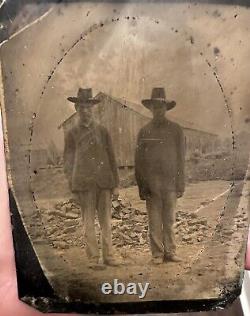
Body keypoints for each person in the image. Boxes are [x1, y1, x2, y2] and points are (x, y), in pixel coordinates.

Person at [63, 88, 120, 268]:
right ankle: (93, 259)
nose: (86, 111)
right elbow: (68, 162)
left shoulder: (103, 131)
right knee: (88, 223)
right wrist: (72, 187)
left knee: (106, 222)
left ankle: (109, 257)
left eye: (88, 107)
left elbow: (112, 158)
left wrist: (116, 185)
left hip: (104, 182)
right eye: (82, 107)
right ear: (76, 109)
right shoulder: (72, 133)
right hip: (84, 185)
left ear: (92, 108)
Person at [135, 87, 185, 264]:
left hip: (170, 184)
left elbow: (181, 159)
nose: (158, 110)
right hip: (152, 186)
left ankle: (170, 252)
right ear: (151, 109)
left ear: (166, 108)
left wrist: (180, 184)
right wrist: (142, 186)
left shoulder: (176, 130)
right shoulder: (144, 132)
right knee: (154, 222)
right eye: (155, 107)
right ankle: (157, 254)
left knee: (170, 220)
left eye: (161, 107)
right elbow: (138, 162)